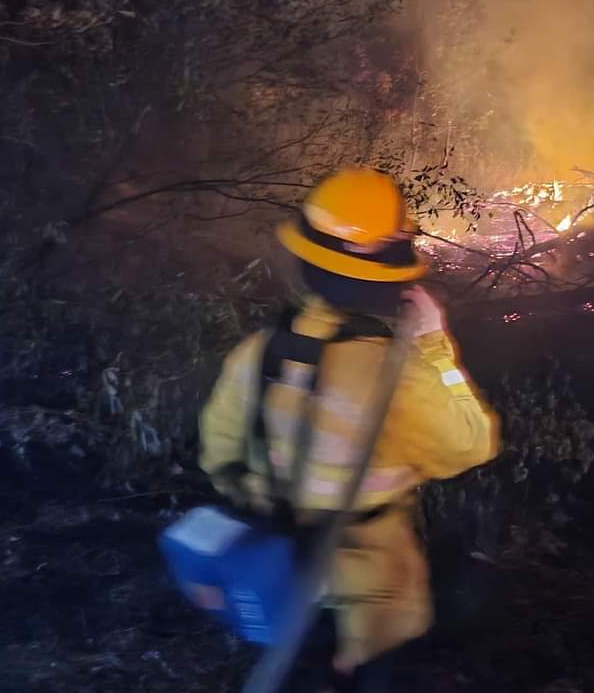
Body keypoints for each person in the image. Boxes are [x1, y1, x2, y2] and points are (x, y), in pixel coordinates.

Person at [198, 167, 500, 690]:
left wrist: (275, 500)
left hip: (277, 582)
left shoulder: (257, 353)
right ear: (392, 277)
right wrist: (434, 345)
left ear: (308, 262)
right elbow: (472, 444)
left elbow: (218, 456)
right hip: (370, 601)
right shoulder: (398, 373)